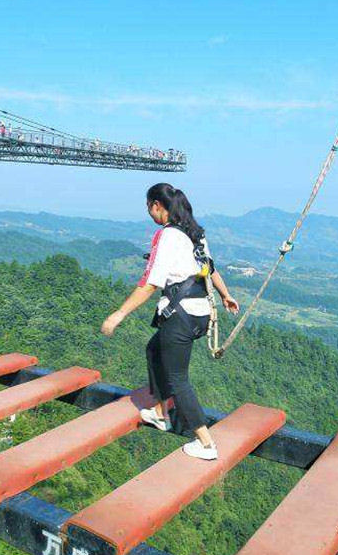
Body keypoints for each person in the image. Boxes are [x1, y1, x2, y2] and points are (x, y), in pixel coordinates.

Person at [100, 183, 241, 461]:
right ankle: (162, 413)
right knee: (154, 350)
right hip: (200, 314)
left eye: (148, 208)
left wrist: (119, 314)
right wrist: (226, 295)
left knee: (178, 379)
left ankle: (205, 443)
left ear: (157, 206)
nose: (149, 213)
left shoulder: (167, 236)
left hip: (180, 315)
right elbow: (209, 268)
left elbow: (150, 283)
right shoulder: (195, 233)